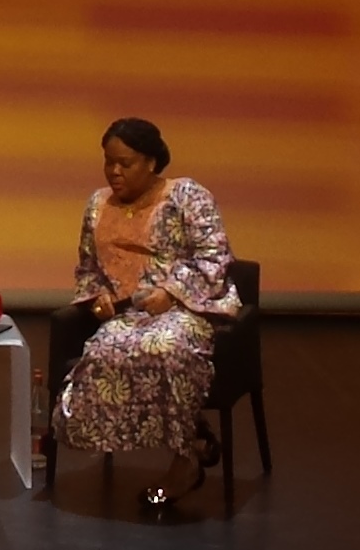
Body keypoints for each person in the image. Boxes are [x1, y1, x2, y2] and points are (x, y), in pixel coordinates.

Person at [52, 118, 241, 470]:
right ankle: (194, 433)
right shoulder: (97, 205)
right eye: (109, 162)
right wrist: (97, 298)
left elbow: (214, 256)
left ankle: (184, 462)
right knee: (105, 353)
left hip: (187, 310)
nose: (114, 171)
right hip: (128, 317)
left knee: (163, 348)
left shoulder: (187, 196)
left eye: (125, 163)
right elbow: (88, 267)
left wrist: (171, 292)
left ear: (151, 162)